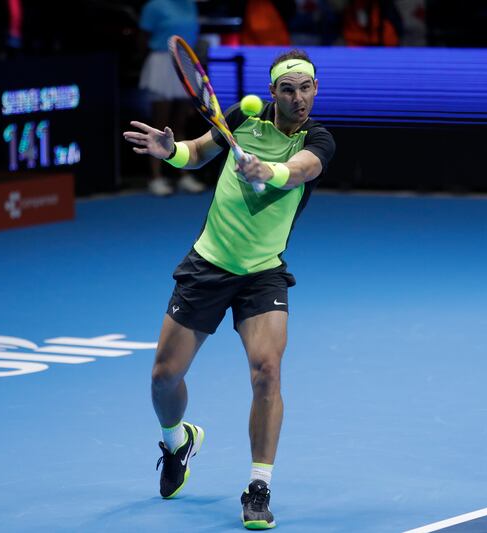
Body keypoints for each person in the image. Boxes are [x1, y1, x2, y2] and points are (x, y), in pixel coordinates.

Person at [123, 49, 335, 529]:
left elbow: (302, 169)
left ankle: (258, 487)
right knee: (163, 378)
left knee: (267, 372)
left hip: (263, 273)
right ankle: (178, 441)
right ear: (273, 92)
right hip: (208, 264)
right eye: (288, 88)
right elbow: (197, 153)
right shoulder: (242, 117)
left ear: (315, 90)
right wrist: (170, 151)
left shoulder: (319, 139)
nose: (298, 98)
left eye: (306, 88)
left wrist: (269, 172)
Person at [138, 0, 206, 196]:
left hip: (183, 65)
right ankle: (156, 178)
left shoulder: (189, 4)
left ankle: (183, 174)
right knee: (159, 126)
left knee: (180, 125)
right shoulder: (153, 6)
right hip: (160, 64)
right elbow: (142, 39)